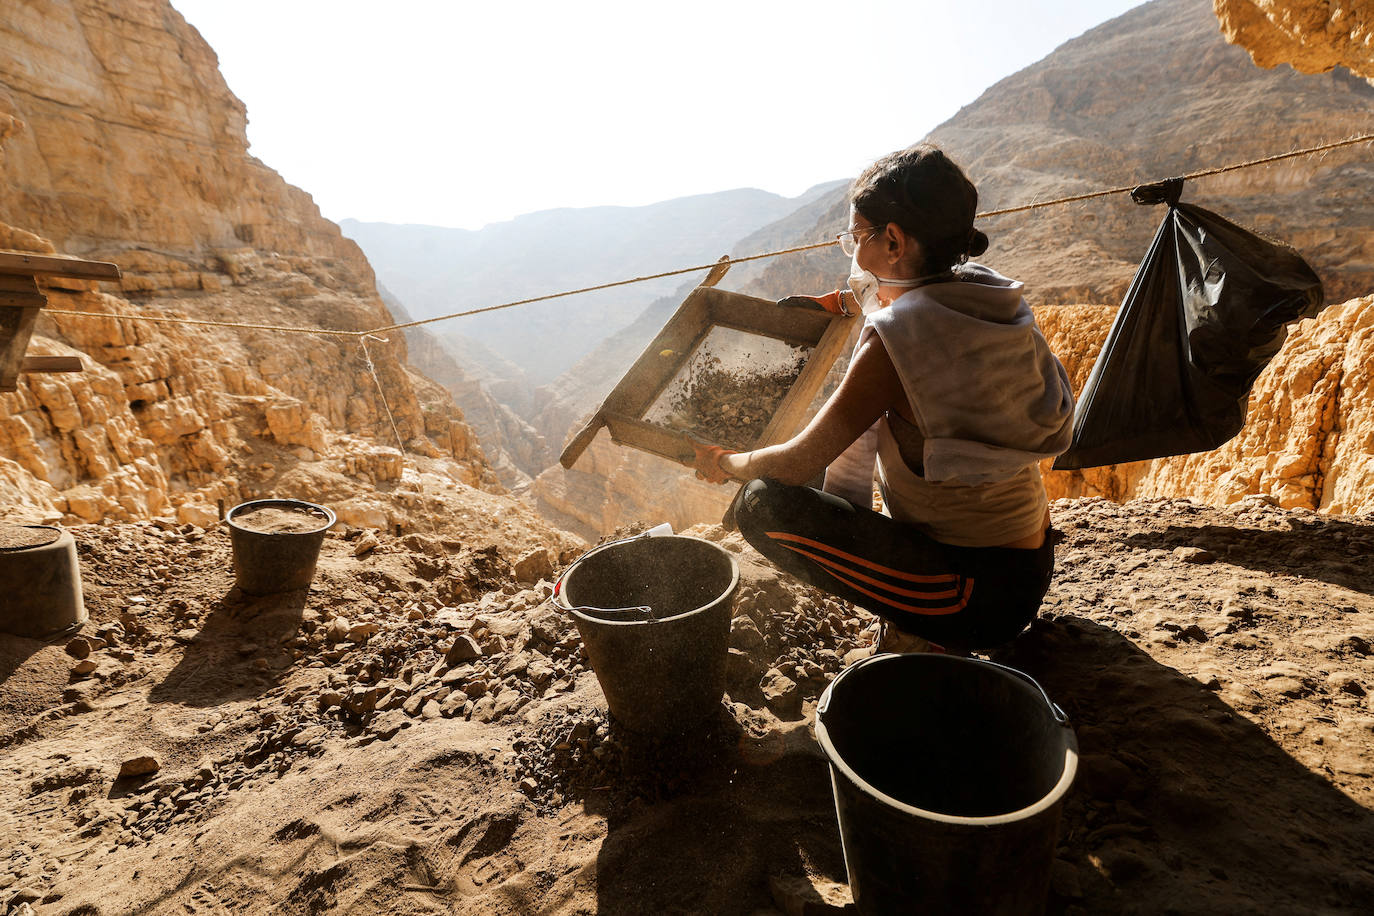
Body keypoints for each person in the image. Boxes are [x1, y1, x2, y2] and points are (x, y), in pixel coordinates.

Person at [691, 144, 1074, 655]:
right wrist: (840, 300)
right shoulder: (989, 296)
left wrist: (724, 462)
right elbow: (910, 293)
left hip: (974, 601)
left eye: (855, 238)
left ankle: (926, 631)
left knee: (762, 502)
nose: (853, 254)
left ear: (893, 241)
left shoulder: (899, 340)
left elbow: (799, 460)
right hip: (1029, 567)